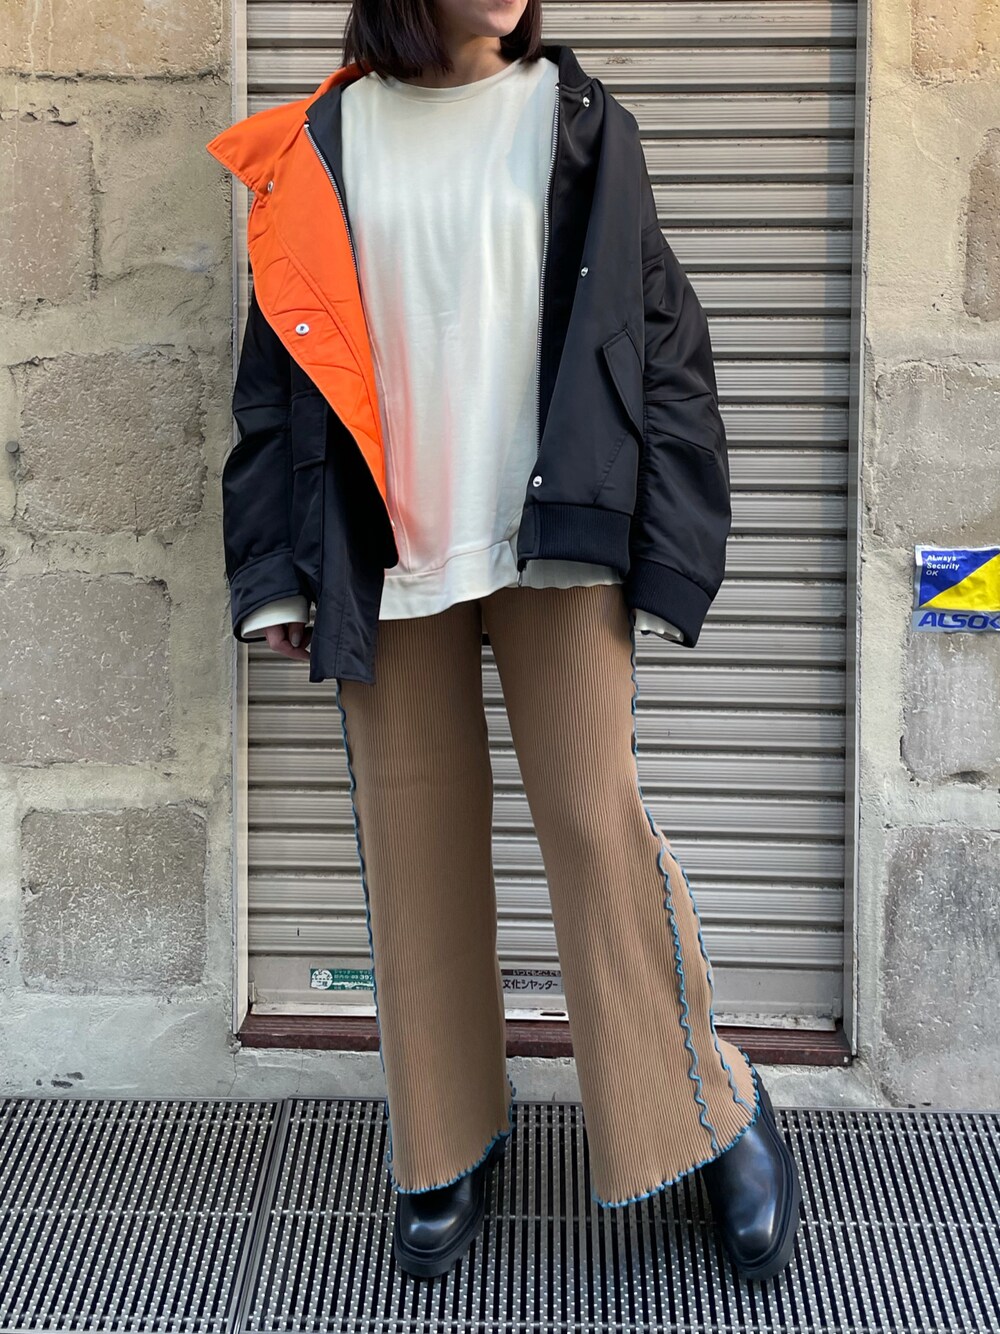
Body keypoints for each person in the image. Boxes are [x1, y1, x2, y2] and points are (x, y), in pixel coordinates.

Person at [207, 0, 803, 1286]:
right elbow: (277, 368)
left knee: (594, 826)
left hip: (556, 540)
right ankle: (445, 1140)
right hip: (383, 544)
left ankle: (711, 1105)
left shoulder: (577, 122)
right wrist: (273, 571)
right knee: (411, 842)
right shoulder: (325, 140)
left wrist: (673, 542)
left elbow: (661, 340)